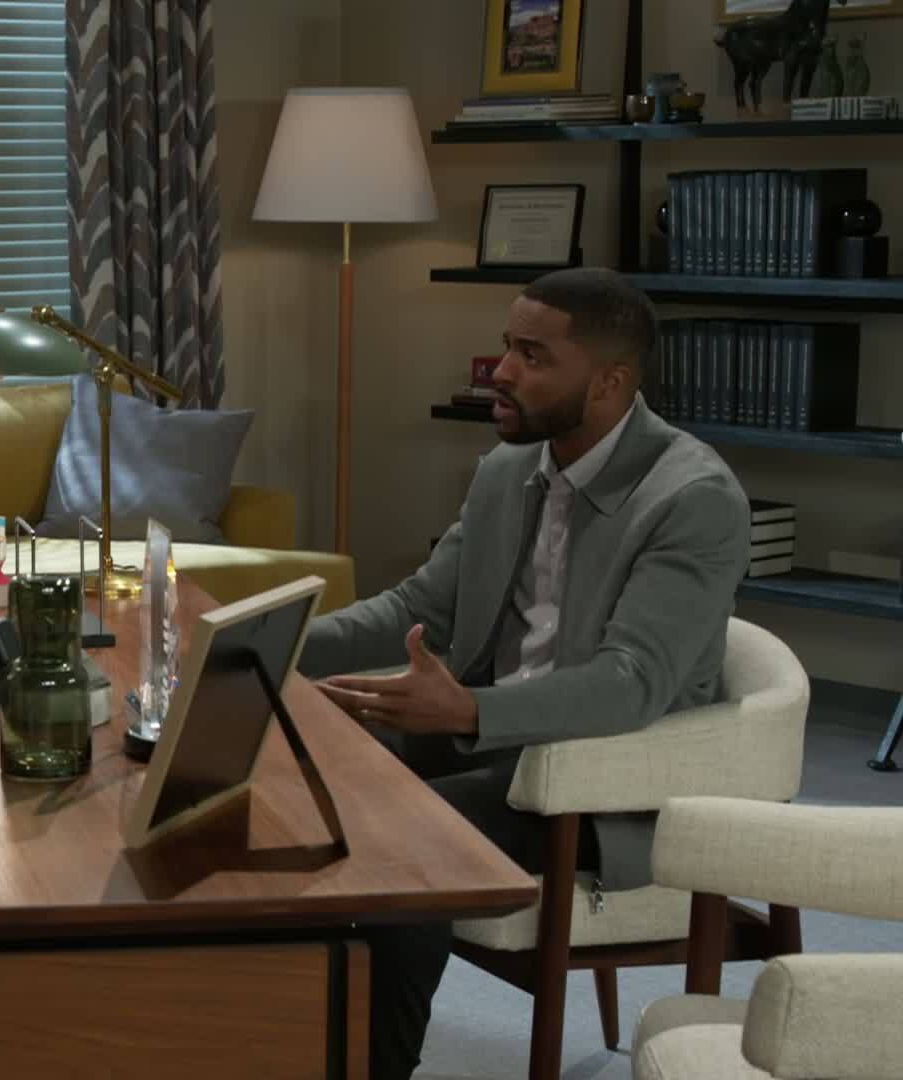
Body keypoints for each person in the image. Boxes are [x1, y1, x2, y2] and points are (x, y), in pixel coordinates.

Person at [296, 267, 750, 1080]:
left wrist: (467, 711)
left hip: (596, 780)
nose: (501, 371)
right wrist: (269, 644)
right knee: (297, 789)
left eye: (532, 356)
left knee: (401, 847)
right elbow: (420, 606)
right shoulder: (509, 470)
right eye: (507, 346)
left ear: (609, 382)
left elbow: (629, 683)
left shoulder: (694, 497)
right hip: (492, 742)